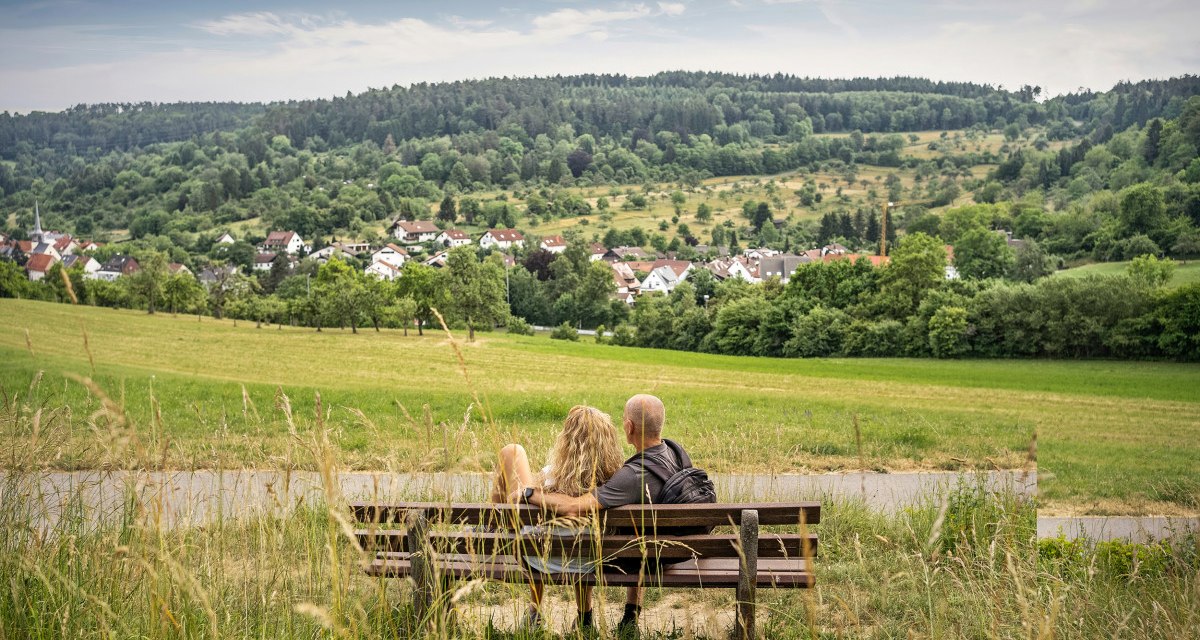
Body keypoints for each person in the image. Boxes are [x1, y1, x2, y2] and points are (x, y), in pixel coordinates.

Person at [513, 394, 693, 638]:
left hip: (623, 557)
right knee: (636, 535)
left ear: (629, 427)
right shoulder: (676, 453)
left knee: (624, 538)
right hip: (671, 549)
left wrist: (530, 492)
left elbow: (573, 507)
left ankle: (565, 614)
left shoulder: (628, 477)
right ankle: (630, 616)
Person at [492, 405, 624, 631]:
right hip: (590, 563)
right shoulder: (617, 481)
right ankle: (585, 615)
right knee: (581, 541)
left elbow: (522, 492)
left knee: (512, 452)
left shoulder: (551, 476)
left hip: (537, 559)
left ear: (566, 440)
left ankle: (534, 610)